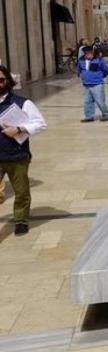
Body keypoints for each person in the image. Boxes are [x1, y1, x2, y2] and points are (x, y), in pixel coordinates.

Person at [0, 66, 47, 236]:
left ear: (8, 81)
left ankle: (21, 219)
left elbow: (40, 123)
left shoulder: (22, 103)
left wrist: (19, 129)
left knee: (21, 191)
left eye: (1, 80)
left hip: (16, 155)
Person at [78, 46, 108, 122]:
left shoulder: (99, 59)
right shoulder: (81, 60)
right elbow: (79, 70)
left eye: (90, 53)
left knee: (100, 101)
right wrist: (82, 76)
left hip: (97, 84)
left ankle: (106, 114)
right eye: (87, 53)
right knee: (87, 101)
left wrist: (100, 77)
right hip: (86, 84)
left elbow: (106, 70)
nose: (88, 55)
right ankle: (89, 116)